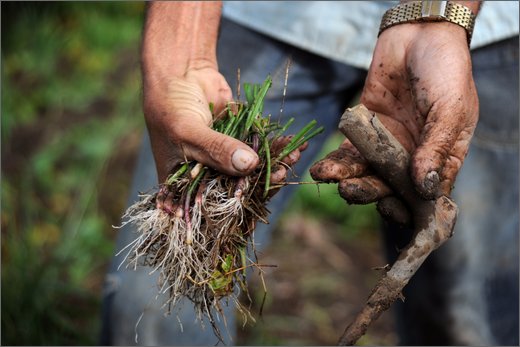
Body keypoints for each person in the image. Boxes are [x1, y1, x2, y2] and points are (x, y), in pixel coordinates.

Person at [100, 1, 518, 345]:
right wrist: (184, 56)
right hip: (268, 16)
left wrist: (439, 15)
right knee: (150, 304)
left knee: (466, 321)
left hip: (476, 32)